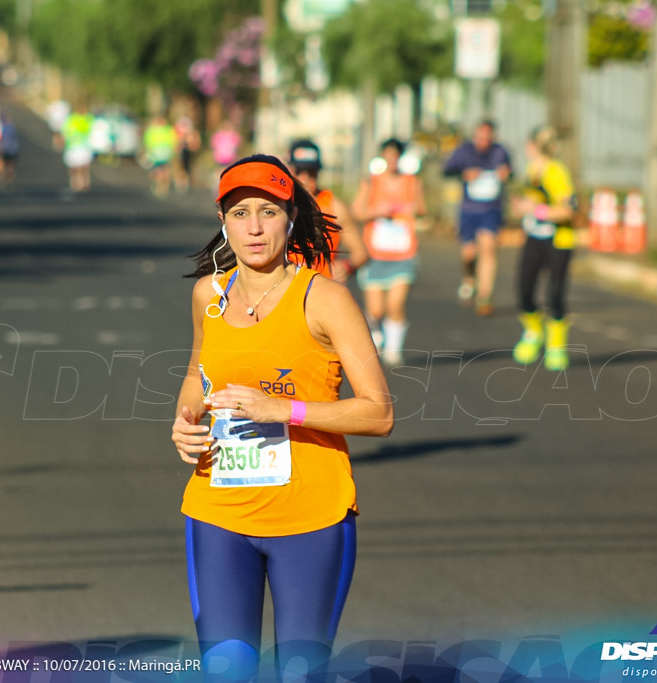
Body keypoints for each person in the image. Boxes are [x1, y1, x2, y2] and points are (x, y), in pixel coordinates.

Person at [171, 154, 393, 682]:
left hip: (310, 518)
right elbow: (197, 373)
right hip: (218, 512)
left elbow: (379, 412)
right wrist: (184, 422)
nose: (253, 226)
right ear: (222, 220)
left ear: (290, 217)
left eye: (268, 211)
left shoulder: (326, 299)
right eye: (240, 211)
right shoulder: (210, 294)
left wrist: (283, 410)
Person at [351, 138, 428, 365]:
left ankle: (394, 350)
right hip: (375, 255)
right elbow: (356, 212)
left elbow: (423, 210)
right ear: (383, 157)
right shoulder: (370, 183)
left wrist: (414, 209)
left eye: (396, 156)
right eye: (388, 156)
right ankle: (375, 337)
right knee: (375, 311)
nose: (392, 160)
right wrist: (377, 211)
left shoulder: (412, 183)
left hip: (404, 254)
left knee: (395, 306)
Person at [510, 125, 578, 372]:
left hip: (558, 240)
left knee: (555, 293)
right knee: (524, 289)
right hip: (534, 238)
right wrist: (522, 207)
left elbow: (567, 210)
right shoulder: (531, 170)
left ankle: (556, 347)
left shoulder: (556, 171)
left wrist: (535, 210)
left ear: (534, 146)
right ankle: (533, 332)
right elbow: (534, 200)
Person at [442, 119, 512, 317]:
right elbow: (446, 170)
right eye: (480, 137)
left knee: (488, 249)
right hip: (469, 210)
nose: (483, 141)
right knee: (469, 254)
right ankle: (469, 279)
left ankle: (484, 295)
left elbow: (510, 172)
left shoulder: (500, 152)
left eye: (487, 138)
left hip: (491, 209)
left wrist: (505, 174)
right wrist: (464, 173)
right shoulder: (464, 151)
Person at [288, 138, 368, 282]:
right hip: (285, 290)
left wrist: (347, 266)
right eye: (300, 171)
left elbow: (360, 253)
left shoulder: (334, 206)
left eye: (311, 172)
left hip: (321, 289)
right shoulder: (280, 205)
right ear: (290, 170)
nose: (305, 178)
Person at [62, 105, 95, 192]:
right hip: (72, 146)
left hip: (84, 146)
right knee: (74, 166)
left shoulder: (88, 119)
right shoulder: (71, 119)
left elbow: (94, 131)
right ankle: (76, 181)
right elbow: (65, 131)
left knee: (83, 165)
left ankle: (83, 181)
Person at [143, 114, 177, 196]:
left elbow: (147, 140)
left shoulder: (153, 129)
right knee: (165, 169)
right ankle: (164, 185)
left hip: (157, 153)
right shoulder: (168, 129)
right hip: (166, 152)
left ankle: (160, 186)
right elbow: (174, 140)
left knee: (158, 170)